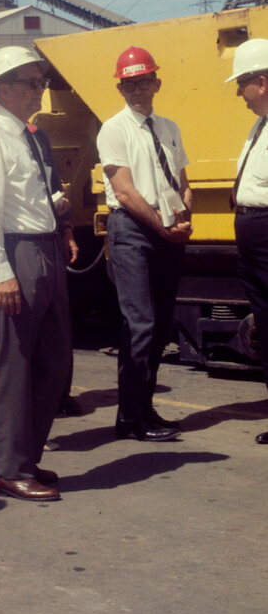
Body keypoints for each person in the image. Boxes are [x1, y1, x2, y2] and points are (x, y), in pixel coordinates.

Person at [0, 47, 76, 501]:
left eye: (40, 82)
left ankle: (26, 456)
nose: (39, 89)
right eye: (31, 82)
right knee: (14, 364)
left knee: (54, 361)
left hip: (43, 248)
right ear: (2, 88)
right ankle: (9, 467)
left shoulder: (25, 134)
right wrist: (1, 272)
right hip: (17, 252)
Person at [97, 46, 190, 442]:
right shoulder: (113, 129)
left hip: (166, 228)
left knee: (158, 323)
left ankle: (141, 410)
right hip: (133, 228)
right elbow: (125, 190)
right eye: (128, 84)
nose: (136, 90)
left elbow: (182, 181)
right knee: (141, 323)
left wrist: (185, 215)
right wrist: (161, 227)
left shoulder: (169, 128)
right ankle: (132, 418)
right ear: (121, 89)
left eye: (142, 82)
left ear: (157, 83)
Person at [223, 38, 268, 444]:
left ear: (262, 82)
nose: (239, 93)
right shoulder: (259, 126)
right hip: (253, 236)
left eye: (242, 84)